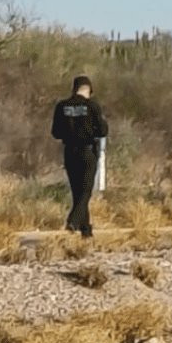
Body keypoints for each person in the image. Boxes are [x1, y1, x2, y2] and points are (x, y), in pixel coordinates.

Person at [51, 75, 108, 238]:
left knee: (77, 191)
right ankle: (73, 221)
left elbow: (55, 132)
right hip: (87, 151)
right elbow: (103, 131)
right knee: (86, 192)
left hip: (69, 152)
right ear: (89, 89)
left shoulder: (61, 106)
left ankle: (86, 230)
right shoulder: (92, 106)